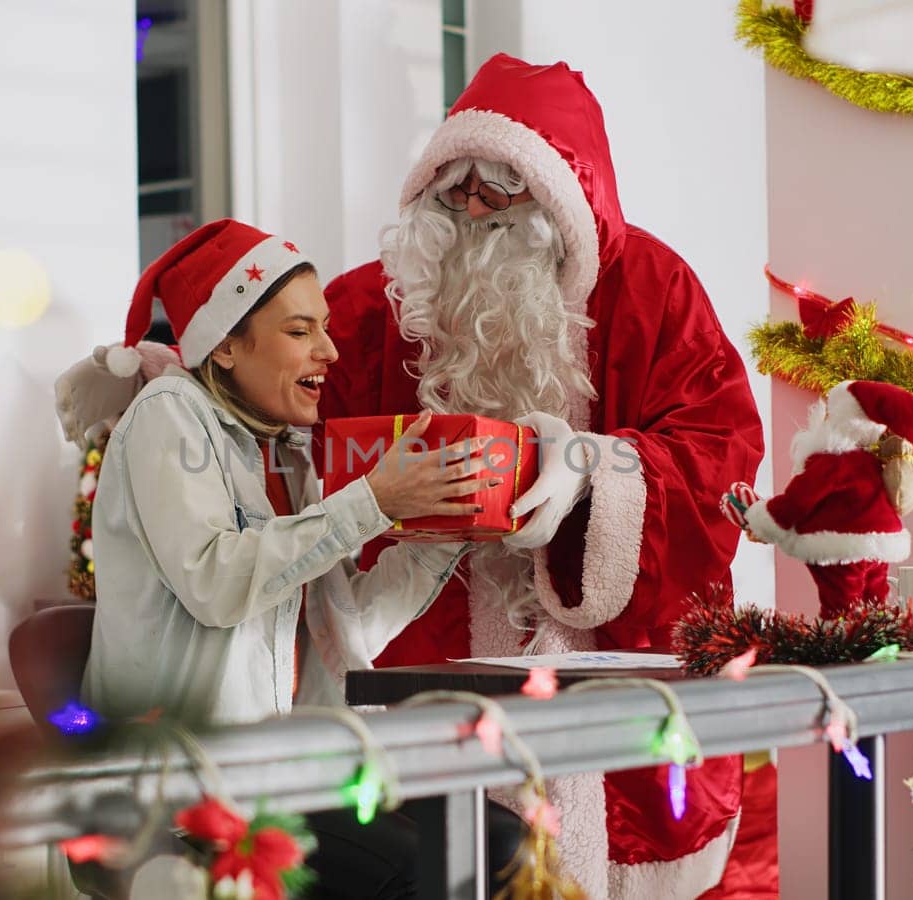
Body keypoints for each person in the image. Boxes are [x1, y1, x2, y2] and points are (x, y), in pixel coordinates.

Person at [54, 54, 770, 900]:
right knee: (476, 858)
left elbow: (720, 449)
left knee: (495, 852)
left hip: (338, 741)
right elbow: (232, 579)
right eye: (452, 182)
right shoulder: (221, 402)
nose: (469, 204)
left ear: (559, 201)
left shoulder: (651, 290)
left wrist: (577, 476)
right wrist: (379, 500)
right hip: (215, 778)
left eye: (500, 184)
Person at [78, 218, 521, 898]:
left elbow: (348, 629)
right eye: (299, 331)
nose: (329, 351)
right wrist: (371, 500)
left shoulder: (282, 450)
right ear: (225, 343)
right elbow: (218, 582)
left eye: (324, 326)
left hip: (289, 768)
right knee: (416, 868)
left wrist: (453, 521)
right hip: (185, 789)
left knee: (499, 838)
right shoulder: (168, 417)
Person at [735, 380, 913, 617]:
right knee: (875, 601)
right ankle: (881, 642)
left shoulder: (831, 462)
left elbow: (797, 500)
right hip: (881, 544)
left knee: (841, 606)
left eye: (830, 409)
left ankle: (842, 647)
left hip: (840, 547)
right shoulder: (874, 462)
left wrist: (762, 520)